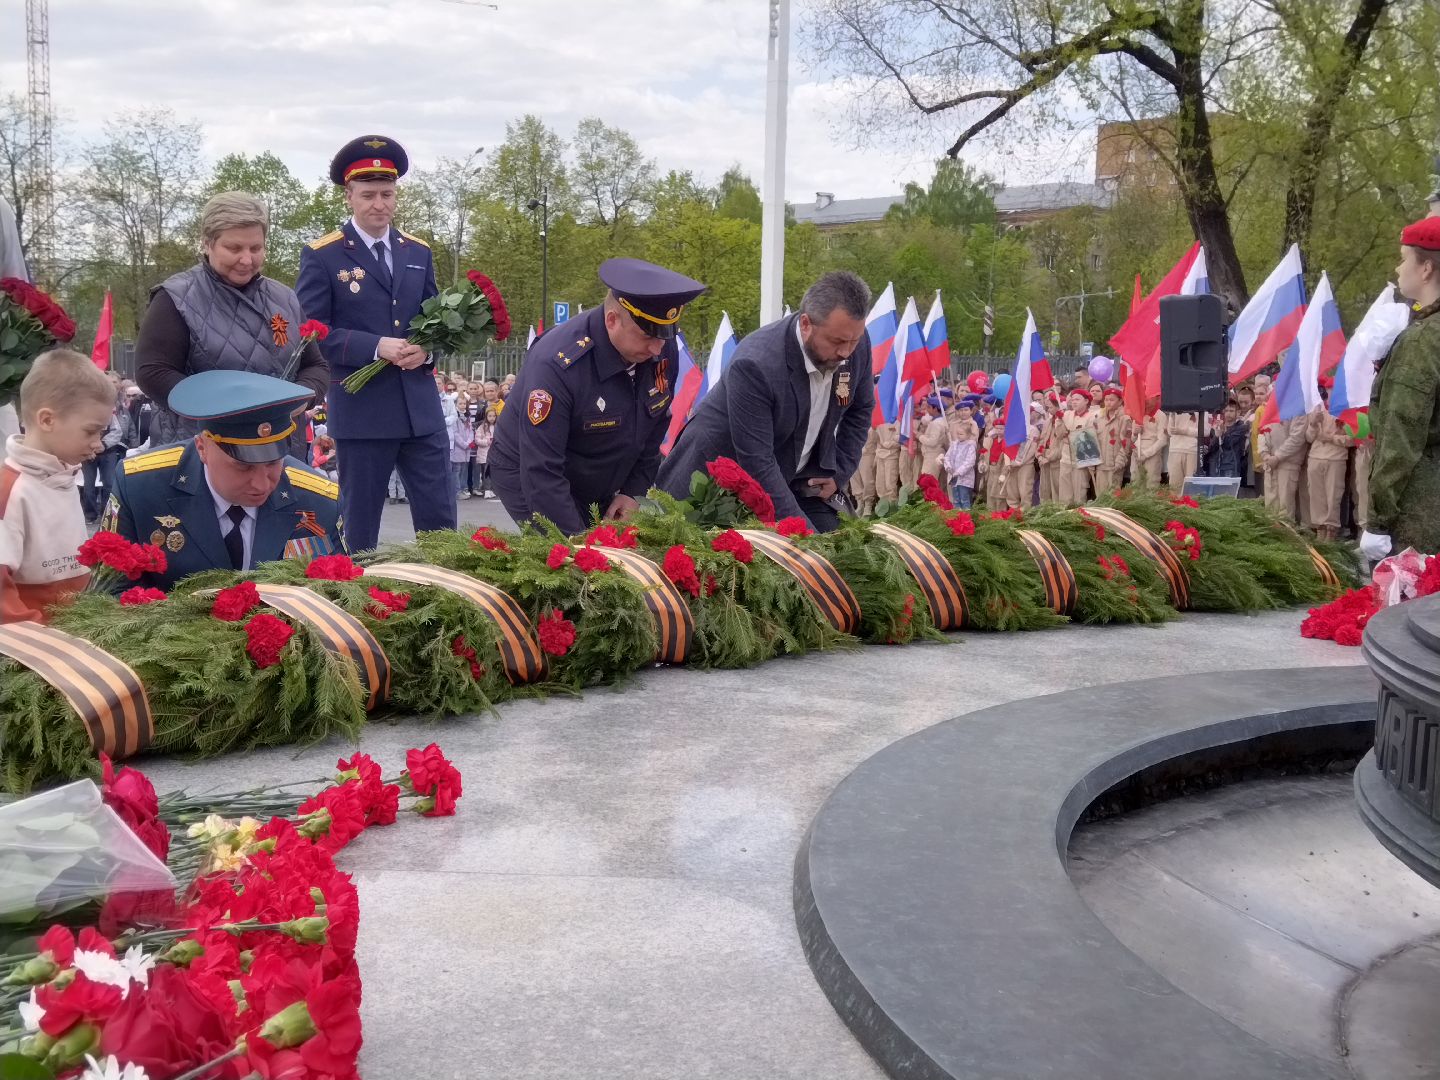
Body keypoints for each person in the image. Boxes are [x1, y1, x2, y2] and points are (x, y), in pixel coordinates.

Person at [295, 134, 452, 552]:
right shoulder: (323, 255)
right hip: (363, 414)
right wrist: (375, 346)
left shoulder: (417, 251)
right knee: (359, 531)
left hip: (421, 411)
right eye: (368, 195)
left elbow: (434, 321)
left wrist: (427, 350)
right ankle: (357, 592)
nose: (379, 204)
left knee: (442, 528)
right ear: (349, 196)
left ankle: (441, 588)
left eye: (387, 194)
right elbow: (311, 332)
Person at [494, 258, 706, 535]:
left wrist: (633, 492)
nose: (657, 349)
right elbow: (541, 470)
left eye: (664, 336)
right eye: (646, 336)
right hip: (530, 473)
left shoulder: (662, 349)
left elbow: (654, 426)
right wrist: (579, 544)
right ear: (612, 320)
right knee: (566, 552)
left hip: (599, 473)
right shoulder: (558, 364)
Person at [659, 271, 874, 532]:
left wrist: (839, 472)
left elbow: (861, 410)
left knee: (839, 548)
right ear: (806, 324)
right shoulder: (755, 365)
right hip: (716, 486)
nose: (846, 352)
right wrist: (806, 538)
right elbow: (758, 461)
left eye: (853, 341)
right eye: (837, 341)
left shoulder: (854, 342)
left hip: (796, 479)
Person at [103, 370, 345, 592]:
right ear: (202, 448)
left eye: (273, 463)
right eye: (243, 466)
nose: (261, 484)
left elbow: (339, 595)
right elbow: (109, 596)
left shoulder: (319, 499)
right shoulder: (140, 487)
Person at [136, 192, 328, 459]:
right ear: (207, 244)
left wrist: (300, 399)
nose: (247, 260)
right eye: (234, 249)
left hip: (280, 446)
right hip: (203, 449)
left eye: (255, 249)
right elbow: (153, 372)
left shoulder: (285, 298)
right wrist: (226, 409)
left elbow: (315, 366)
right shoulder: (176, 297)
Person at [1, 349, 115, 623]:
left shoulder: (64, 477)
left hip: (73, 631)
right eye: (91, 431)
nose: (98, 443)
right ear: (47, 420)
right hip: (34, 643)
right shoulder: (10, 491)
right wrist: (48, 640)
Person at [1363, 216, 1440, 559]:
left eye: (1404, 258)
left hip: (1420, 513)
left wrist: (1378, 521)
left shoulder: (1423, 340)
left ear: (1426, 269)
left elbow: (1401, 433)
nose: (1398, 268)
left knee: (1412, 596)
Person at [1305, 397, 1350, 540]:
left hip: (1336, 458)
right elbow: (1309, 438)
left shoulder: (1346, 408)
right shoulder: (1317, 408)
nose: (1329, 393)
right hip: (1315, 457)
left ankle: (1331, 532)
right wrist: (1313, 423)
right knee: (1315, 496)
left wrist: (1331, 438)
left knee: (1333, 496)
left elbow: (1353, 439)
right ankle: (1320, 530)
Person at [1064, 388, 1102, 504]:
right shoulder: (1067, 415)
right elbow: (1061, 434)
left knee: (1079, 494)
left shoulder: (1091, 417)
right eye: (1072, 400)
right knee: (1065, 495)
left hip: (1081, 460)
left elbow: (1091, 439)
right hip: (1065, 458)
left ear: (1086, 401)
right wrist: (1059, 420)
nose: (1074, 402)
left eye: (1077, 399)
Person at [1095, 386, 1131, 494]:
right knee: (1100, 495)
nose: (1108, 402)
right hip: (1101, 464)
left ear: (1120, 401)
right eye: (1106, 400)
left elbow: (1126, 444)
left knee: (1113, 496)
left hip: (1114, 465)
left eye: (1112, 400)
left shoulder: (1124, 419)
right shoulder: (1099, 419)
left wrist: (1120, 462)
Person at [943, 403, 979, 509]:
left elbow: (970, 461)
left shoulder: (970, 445)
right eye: (958, 434)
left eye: (961, 434)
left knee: (964, 498)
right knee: (956, 499)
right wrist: (948, 466)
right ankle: (957, 515)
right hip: (953, 475)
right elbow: (947, 456)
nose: (958, 436)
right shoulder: (954, 444)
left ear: (968, 434)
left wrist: (959, 472)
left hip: (964, 477)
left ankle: (966, 516)